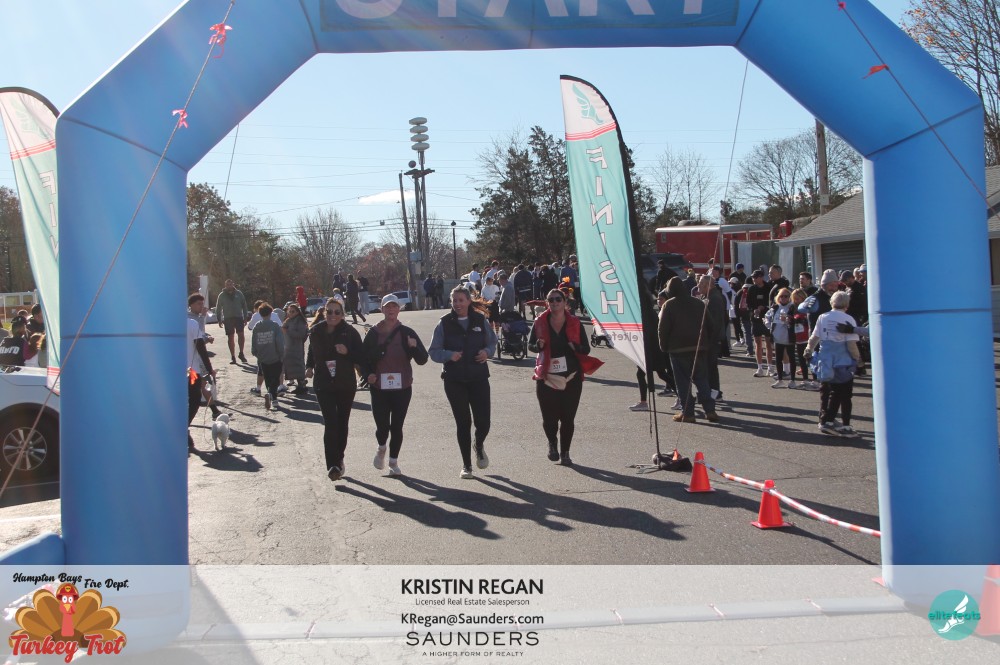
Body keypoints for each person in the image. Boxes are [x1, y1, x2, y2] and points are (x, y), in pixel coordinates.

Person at [428, 285, 497, 479]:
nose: (457, 304)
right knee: (463, 423)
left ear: (468, 301)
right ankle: (467, 465)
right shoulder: (444, 323)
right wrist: (449, 355)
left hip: (478, 378)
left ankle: (479, 444)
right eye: (454, 301)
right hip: (454, 380)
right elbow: (433, 351)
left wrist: (487, 352)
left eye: (461, 300)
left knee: (483, 422)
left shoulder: (480, 320)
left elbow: (492, 342)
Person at [528, 288, 601, 465]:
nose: (554, 302)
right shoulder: (540, 322)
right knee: (549, 419)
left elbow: (586, 349)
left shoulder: (575, 322)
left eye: (558, 299)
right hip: (547, 376)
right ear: (547, 303)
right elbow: (531, 346)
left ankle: (565, 452)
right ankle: (552, 443)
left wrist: (576, 347)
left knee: (568, 418)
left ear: (565, 302)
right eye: (551, 300)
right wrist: (538, 345)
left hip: (571, 377)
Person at [361, 294, 429, 476]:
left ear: (399, 309)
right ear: (382, 309)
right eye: (387, 307)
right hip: (379, 387)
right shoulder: (373, 333)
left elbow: (423, 359)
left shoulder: (407, 332)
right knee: (382, 426)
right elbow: (363, 359)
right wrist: (368, 375)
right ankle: (381, 447)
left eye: (394, 307)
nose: (391, 310)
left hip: (402, 387)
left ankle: (393, 462)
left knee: (397, 426)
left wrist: (414, 347)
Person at [306, 298, 365, 481]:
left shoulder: (350, 332)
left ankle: (339, 458)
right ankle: (333, 465)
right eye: (329, 311)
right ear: (324, 312)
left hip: (345, 383)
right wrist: (309, 366)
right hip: (323, 383)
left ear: (342, 314)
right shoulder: (316, 330)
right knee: (331, 422)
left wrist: (347, 352)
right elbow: (311, 351)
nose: (333, 315)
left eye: (337, 312)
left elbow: (362, 357)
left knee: (342, 422)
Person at [658, 277, 718, 423]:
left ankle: (688, 413)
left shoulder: (669, 305)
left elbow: (663, 329)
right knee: (702, 380)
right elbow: (711, 325)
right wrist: (706, 344)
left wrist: (664, 347)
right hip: (698, 348)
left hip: (678, 349)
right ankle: (710, 410)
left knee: (683, 383)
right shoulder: (698, 303)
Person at [805, 291, 862, 436]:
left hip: (825, 360)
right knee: (844, 394)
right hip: (843, 361)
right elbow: (851, 345)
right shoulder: (848, 319)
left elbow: (814, 337)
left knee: (830, 391)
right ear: (847, 304)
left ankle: (827, 420)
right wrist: (858, 360)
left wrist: (808, 350)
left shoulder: (823, 317)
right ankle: (841, 424)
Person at [187, 293, 218, 452]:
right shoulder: (191, 323)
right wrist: (209, 368)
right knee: (194, 400)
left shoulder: (168, 324)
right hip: (191, 371)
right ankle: (183, 428)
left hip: (173, 372)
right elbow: (200, 347)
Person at [251, 303, 285, 411]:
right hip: (275, 356)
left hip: (262, 357)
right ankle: (272, 396)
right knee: (276, 377)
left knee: (267, 377)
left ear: (260, 314)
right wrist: (281, 353)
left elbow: (254, 342)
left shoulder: (257, 326)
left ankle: (272, 397)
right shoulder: (274, 326)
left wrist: (256, 353)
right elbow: (279, 341)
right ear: (271, 313)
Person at [699, 274, 727, 401]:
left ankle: (714, 392)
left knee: (710, 367)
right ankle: (712, 391)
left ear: (708, 285)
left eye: (701, 283)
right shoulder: (707, 296)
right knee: (708, 367)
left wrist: (709, 340)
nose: (698, 285)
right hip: (708, 339)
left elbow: (715, 323)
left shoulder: (714, 298)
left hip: (711, 339)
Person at [765, 288, 798, 388]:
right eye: (781, 296)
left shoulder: (792, 307)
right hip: (777, 337)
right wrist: (769, 325)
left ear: (789, 297)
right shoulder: (775, 307)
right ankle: (780, 380)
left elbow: (797, 321)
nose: (783, 298)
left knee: (792, 358)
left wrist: (787, 320)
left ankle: (792, 380)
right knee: (778, 359)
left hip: (789, 337)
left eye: (786, 296)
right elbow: (767, 317)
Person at [745, 270, 774, 377]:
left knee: (768, 343)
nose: (754, 279)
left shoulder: (769, 287)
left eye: (756, 277)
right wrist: (753, 310)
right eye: (753, 277)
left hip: (767, 318)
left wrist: (764, 307)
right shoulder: (752, 289)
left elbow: (772, 302)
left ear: (761, 277)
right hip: (756, 319)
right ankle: (760, 367)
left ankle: (770, 367)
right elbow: (748, 303)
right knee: (757, 343)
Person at [216, 279, 249, 364]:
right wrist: (219, 319)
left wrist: (245, 317)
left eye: (230, 284)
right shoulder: (222, 295)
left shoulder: (239, 293)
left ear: (233, 284)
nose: (229, 286)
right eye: (227, 284)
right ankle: (233, 356)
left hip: (238, 317)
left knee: (241, 335)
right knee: (230, 337)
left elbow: (244, 305)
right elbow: (218, 307)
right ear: (225, 285)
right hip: (228, 318)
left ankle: (241, 353)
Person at [282, 303, 309, 394]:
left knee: (298, 366)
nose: (290, 313)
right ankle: (300, 385)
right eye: (289, 311)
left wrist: (288, 331)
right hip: (289, 347)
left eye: (293, 311)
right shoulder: (288, 320)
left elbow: (301, 334)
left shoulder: (300, 321)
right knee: (292, 367)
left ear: (297, 312)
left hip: (296, 347)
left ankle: (302, 386)